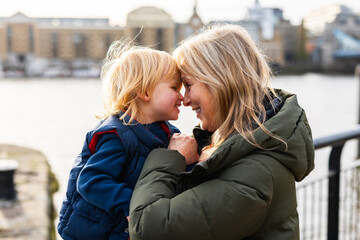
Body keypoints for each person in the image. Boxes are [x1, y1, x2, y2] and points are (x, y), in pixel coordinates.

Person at [129, 24, 315, 240]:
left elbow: (146, 227)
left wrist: (169, 159)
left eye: (188, 85)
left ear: (219, 81)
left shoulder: (255, 174)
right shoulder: (246, 146)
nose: (185, 100)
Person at [57, 41, 184, 240]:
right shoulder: (117, 135)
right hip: (96, 232)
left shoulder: (169, 134)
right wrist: (133, 205)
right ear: (145, 92)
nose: (182, 97)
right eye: (174, 88)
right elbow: (91, 180)